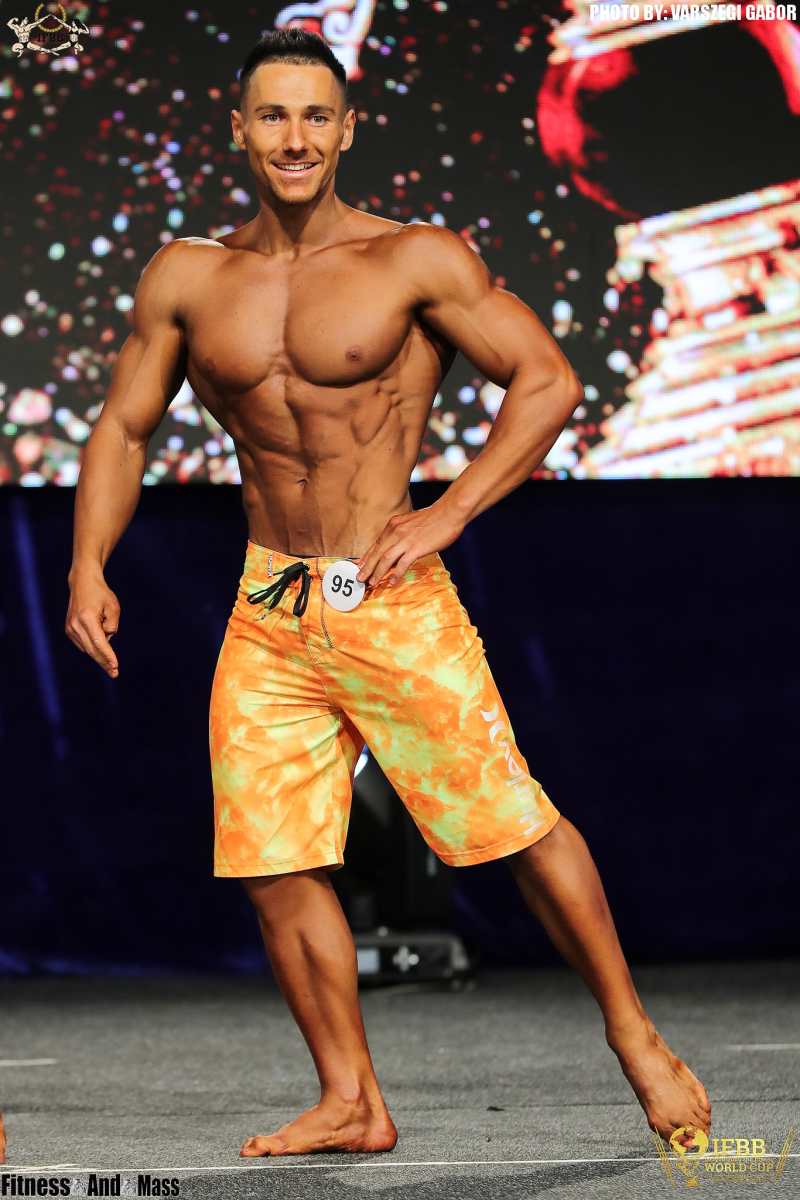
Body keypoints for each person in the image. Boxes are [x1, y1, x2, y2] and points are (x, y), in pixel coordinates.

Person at [66, 28, 711, 1159]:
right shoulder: (188, 277)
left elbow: (546, 380)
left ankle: (633, 1035)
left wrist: (449, 511)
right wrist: (87, 564)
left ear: (348, 128)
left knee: (510, 825)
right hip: (268, 605)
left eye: (315, 116)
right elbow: (124, 427)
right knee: (271, 859)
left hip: (390, 594)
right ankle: (352, 1100)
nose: (295, 138)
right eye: (273, 116)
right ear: (238, 129)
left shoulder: (413, 259)